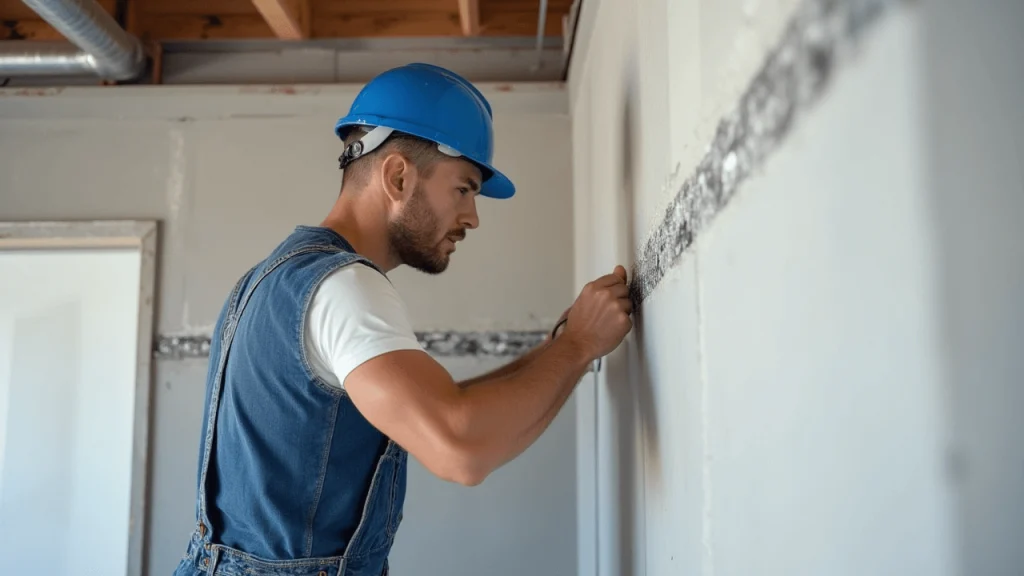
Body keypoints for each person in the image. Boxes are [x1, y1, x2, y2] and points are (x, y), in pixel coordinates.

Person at [173, 62, 632, 576]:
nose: (473, 217)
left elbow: (448, 410)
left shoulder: (268, 281)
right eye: (464, 188)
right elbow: (461, 449)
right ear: (397, 176)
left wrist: (558, 350)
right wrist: (578, 349)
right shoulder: (343, 287)